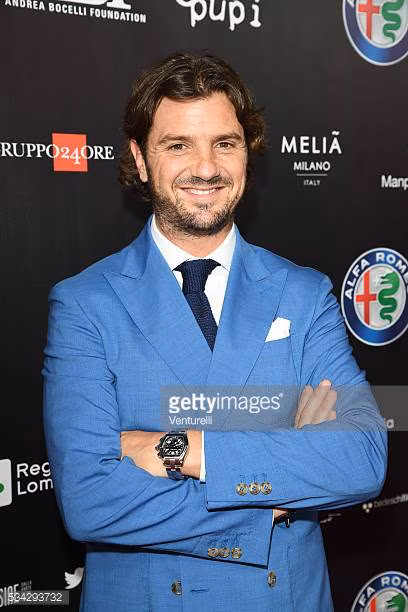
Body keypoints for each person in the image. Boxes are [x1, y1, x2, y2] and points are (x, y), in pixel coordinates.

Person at [43, 52, 387, 612]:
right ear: (141, 159)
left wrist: (178, 449)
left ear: (248, 153)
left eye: (225, 143)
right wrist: (273, 497)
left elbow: (362, 458)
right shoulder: (86, 304)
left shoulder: (303, 293)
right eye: (178, 145)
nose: (206, 168)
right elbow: (90, 500)